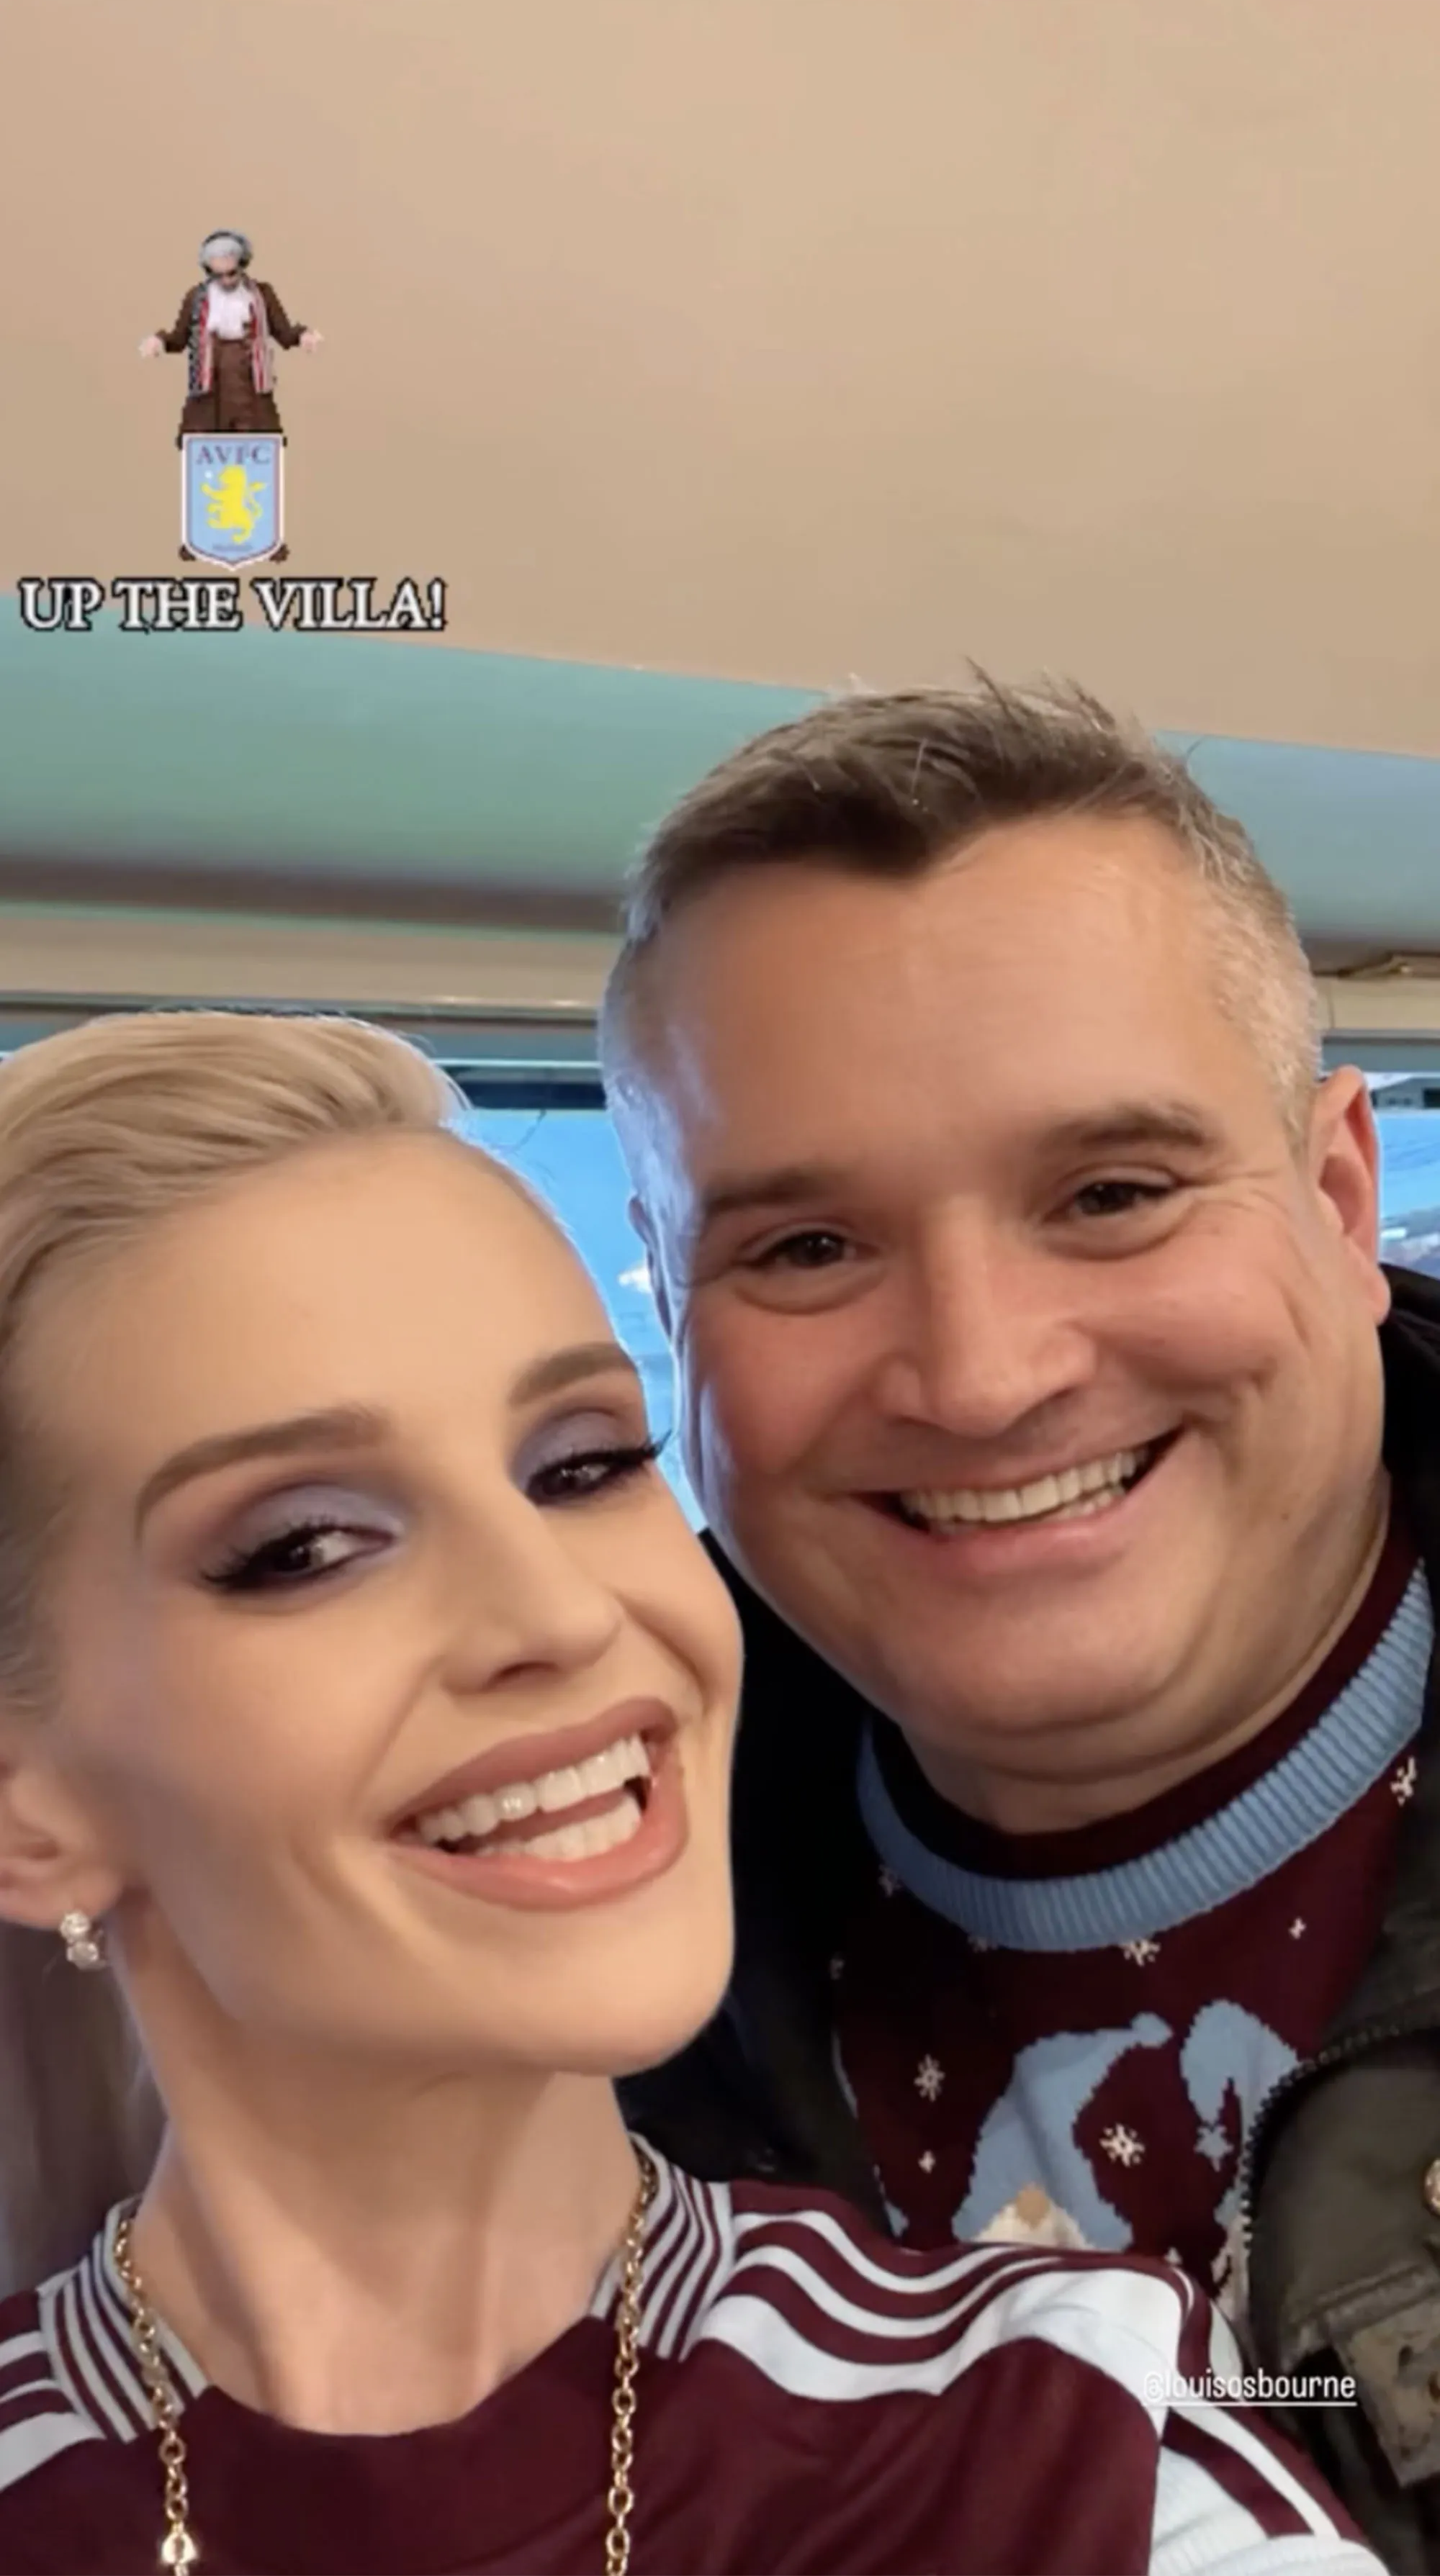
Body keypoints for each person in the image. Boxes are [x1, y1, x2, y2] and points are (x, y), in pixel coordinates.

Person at [0, 1011, 1369, 2576]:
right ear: (25, 1802)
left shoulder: (1077, 2448)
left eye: (581, 1461)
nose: (564, 1616)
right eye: (304, 1545)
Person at [600, 679, 1440, 2572]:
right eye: (806, 1247)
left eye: (1115, 1194)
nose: (979, 1379)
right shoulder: (547, 1990)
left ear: (1337, 1198)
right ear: (674, 1320)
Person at [139, 230, 320, 446]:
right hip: (210, 388)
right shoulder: (196, 298)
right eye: (218, 275)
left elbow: (283, 332)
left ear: (242, 266)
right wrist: (160, 341)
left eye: (231, 274)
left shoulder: (261, 295)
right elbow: (179, 338)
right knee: (205, 446)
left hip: (250, 386)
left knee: (256, 445)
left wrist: (303, 336)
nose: (225, 281)